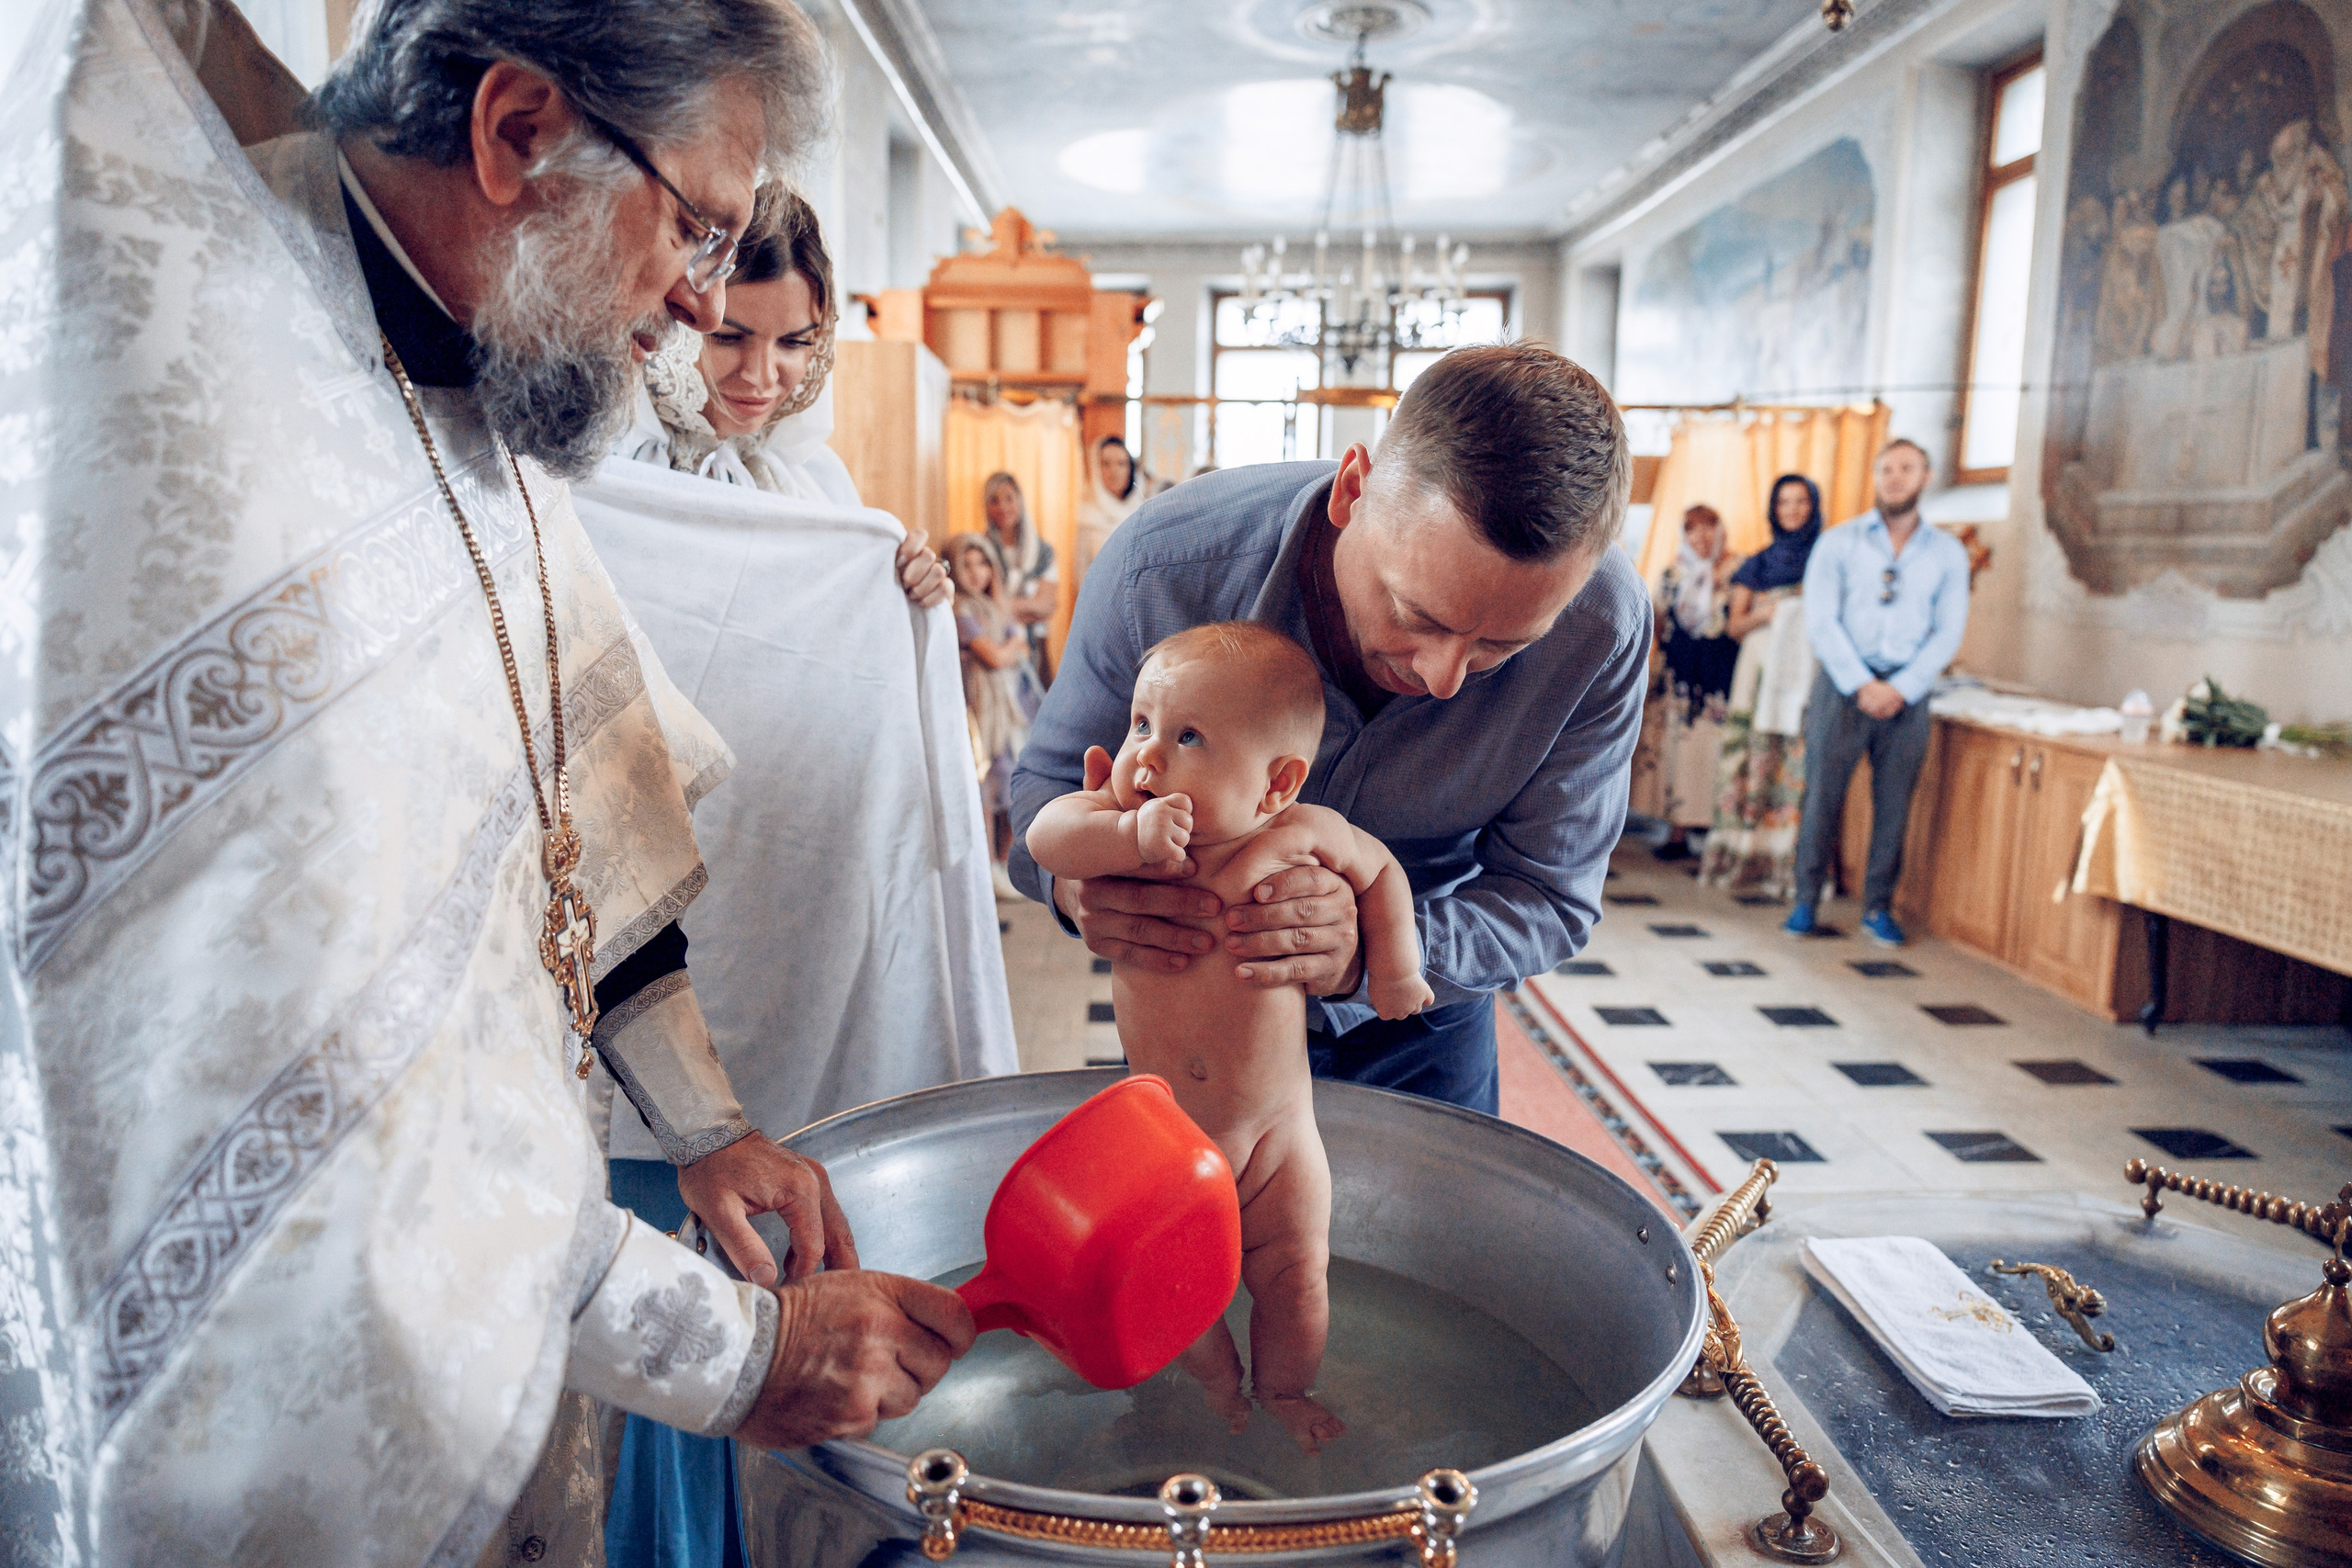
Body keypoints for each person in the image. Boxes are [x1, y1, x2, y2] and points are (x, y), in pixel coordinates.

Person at [0, 3, 974, 1560]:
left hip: (534, 1253)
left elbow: (573, 788)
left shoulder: (477, 376)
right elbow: (334, 1130)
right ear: (519, 132)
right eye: (697, 227)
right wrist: (738, 1352)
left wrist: (704, 1120)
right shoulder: (227, 438)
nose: (698, 300)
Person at [584, 183, 1015, 1566]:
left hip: (789, 912)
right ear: (676, 324)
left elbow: (855, 707)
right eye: (731, 342)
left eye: (795, 343)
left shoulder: (823, 494)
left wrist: (913, 592)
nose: (761, 376)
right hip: (652, 928)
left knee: (795, 1264)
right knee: (675, 1310)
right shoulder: (604, 479)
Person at [1009, 344, 1646, 1114]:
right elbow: (1038, 792)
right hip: (1193, 1040)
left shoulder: (1601, 630)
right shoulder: (1163, 567)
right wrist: (1081, 886)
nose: (1444, 678)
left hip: (1424, 1030)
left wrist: (1375, 949)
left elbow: (1548, 894)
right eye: (1418, 617)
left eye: (1502, 648)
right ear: (1353, 489)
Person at [1024, 622, 1430, 1453]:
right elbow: (1044, 835)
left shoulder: (1302, 831)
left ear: (1278, 783)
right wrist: (1122, 838)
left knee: (1295, 1274)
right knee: (1170, 1281)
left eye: (1188, 737)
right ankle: (1214, 1381)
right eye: (1141, 724)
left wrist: (1393, 970)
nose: (1147, 756)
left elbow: (1382, 871)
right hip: (1171, 1139)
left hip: (1281, 1134)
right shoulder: (1121, 822)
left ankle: (1284, 1387)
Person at [1784, 439, 1971, 946]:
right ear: (1875, 476)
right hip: (1845, 685)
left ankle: (1877, 907)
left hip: (1907, 692)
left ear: (1925, 476)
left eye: (1906, 468)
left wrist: (1902, 687)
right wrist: (1862, 683)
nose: (1895, 477)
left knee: (1894, 804)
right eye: (1886, 469)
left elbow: (1949, 631)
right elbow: (1821, 620)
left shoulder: (1948, 553)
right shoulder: (1839, 543)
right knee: (1822, 792)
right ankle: (1805, 899)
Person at [1702, 473, 1823, 898]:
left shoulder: (1827, 559)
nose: (1792, 509)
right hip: (1758, 668)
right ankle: (1741, 856)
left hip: (1805, 670)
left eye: (1801, 501)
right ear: (1773, 510)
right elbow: (1734, 625)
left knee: (1797, 761)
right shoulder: (1757, 563)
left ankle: (1789, 866)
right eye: (1784, 502)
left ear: (1814, 506)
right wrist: (1774, 614)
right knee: (1750, 756)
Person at [950, 533, 1044, 897]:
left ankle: (1006, 863)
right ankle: (988, 866)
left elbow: (1015, 647)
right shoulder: (961, 609)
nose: (976, 573)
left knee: (1009, 782)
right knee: (986, 786)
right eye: (967, 565)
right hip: (979, 708)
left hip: (1006, 710)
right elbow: (996, 655)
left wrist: (1009, 648)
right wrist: (1008, 649)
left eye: (982, 563)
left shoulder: (996, 607)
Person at [1648, 503, 1742, 860]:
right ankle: (1676, 831)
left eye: (1708, 528)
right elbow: (1657, 620)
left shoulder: (1737, 570)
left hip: (1718, 679)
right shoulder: (1673, 573)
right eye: (1693, 529)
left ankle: (1711, 830)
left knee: (1713, 752)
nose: (1701, 537)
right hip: (1679, 679)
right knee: (1679, 751)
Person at [985, 470, 1060, 670]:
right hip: (995, 646)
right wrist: (1028, 607)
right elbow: (984, 608)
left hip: (1037, 645)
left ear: (1020, 501)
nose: (1002, 507)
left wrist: (1004, 606)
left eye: (1009, 499)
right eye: (994, 500)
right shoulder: (981, 550)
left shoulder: (1043, 553)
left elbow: (1046, 605)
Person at [1074, 434, 1145, 590]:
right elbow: (1081, 575)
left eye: (1121, 464)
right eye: (1106, 464)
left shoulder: (1142, 513)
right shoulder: (1087, 516)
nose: (1114, 471)